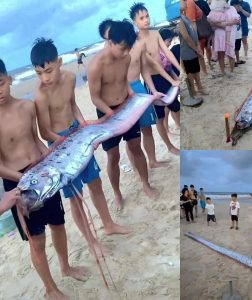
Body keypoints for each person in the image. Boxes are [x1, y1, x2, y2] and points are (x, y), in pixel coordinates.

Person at [32, 38, 129, 256]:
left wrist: (84, 126)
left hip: (76, 132)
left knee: (95, 182)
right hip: (59, 144)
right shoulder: (40, 94)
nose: (45, 78)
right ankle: (91, 242)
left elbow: (73, 105)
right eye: (39, 73)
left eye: (48, 70)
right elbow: (45, 131)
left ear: (59, 61)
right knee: (75, 197)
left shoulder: (70, 77)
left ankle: (108, 224)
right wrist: (70, 142)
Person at [0, 58, 87, 300]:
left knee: (58, 223)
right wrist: (25, 178)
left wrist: (53, 159)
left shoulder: (27, 107)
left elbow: (36, 141)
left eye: (0, 83)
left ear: (9, 79)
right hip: (18, 183)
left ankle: (66, 267)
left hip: (42, 172)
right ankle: (50, 289)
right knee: (36, 239)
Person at [87, 20, 159, 208]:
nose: (126, 52)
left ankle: (146, 184)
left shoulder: (125, 58)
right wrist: (111, 114)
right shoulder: (95, 66)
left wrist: (132, 94)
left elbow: (123, 81)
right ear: (110, 42)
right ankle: (118, 194)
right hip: (107, 113)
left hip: (126, 107)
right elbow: (95, 97)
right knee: (113, 156)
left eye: (129, 48)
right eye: (122, 48)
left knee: (136, 146)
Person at [129, 3, 180, 155]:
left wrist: (179, 69)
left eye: (147, 16)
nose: (146, 20)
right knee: (159, 116)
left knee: (176, 107)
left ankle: (177, 129)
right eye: (141, 18)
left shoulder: (156, 34)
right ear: (135, 22)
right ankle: (169, 146)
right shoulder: (136, 41)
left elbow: (167, 52)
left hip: (164, 75)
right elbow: (144, 66)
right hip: (152, 81)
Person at [180, 0, 206, 100]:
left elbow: (192, 31)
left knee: (196, 69)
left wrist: (197, 46)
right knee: (190, 72)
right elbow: (186, 37)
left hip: (193, 49)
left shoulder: (185, 16)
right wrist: (196, 49)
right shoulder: (180, 19)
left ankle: (200, 88)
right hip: (187, 51)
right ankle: (193, 92)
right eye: (183, 1)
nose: (186, 3)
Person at [207, 0, 240, 76]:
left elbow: (237, 21)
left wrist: (224, 23)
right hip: (218, 34)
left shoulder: (231, 8)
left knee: (231, 53)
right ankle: (223, 71)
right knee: (220, 53)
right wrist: (223, 24)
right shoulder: (214, 8)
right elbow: (209, 21)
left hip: (230, 34)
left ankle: (231, 71)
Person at [230, 0, 245, 66]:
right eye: (238, 6)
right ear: (233, 6)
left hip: (238, 35)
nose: (239, 7)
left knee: (237, 49)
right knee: (232, 49)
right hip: (233, 35)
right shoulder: (230, 14)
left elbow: (239, 26)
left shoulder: (238, 15)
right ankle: (232, 62)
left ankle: (238, 60)